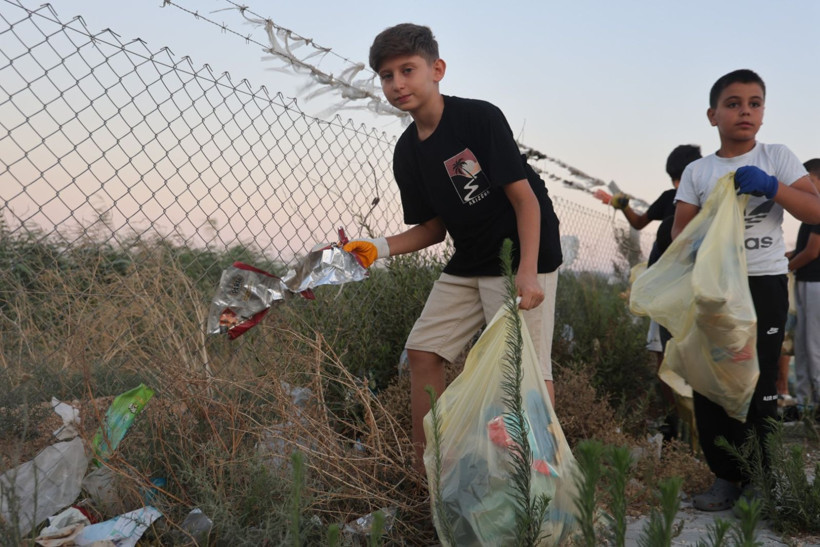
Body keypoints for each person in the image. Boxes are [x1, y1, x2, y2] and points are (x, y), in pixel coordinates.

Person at [342, 23, 563, 470]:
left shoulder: (478, 118)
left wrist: (527, 271)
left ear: (437, 69)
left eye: (408, 69)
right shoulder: (407, 152)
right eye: (387, 75)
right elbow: (432, 230)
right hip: (469, 259)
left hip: (522, 252)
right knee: (423, 350)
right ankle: (435, 467)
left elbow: (526, 200)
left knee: (525, 372)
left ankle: (541, 478)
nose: (398, 83)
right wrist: (376, 248)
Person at [671, 69, 820, 512]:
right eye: (734, 103)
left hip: (763, 284)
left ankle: (762, 477)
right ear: (712, 114)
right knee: (712, 381)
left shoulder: (777, 156)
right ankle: (725, 476)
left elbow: (814, 207)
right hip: (715, 289)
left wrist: (774, 188)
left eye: (755, 103)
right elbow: (682, 232)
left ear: (763, 113)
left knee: (760, 383)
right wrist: (713, 219)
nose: (745, 111)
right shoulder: (699, 170)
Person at [604, 145, 702, 439]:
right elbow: (638, 222)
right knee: (666, 352)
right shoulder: (671, 198)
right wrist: (623, 206)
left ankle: (688, 421)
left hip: (687, 287)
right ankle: (675, 421)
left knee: (677, 354)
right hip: (665, 288)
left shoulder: (707, 201)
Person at [786, 158, 820, 418]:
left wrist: (785, 268)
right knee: (804, 345)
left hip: (815, 284)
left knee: (813, 345)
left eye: (807, 178)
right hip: (806, 282)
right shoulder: (810, 209)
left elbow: (811, 252)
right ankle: (804, 405)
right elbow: (802, 250)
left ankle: (814, 404)